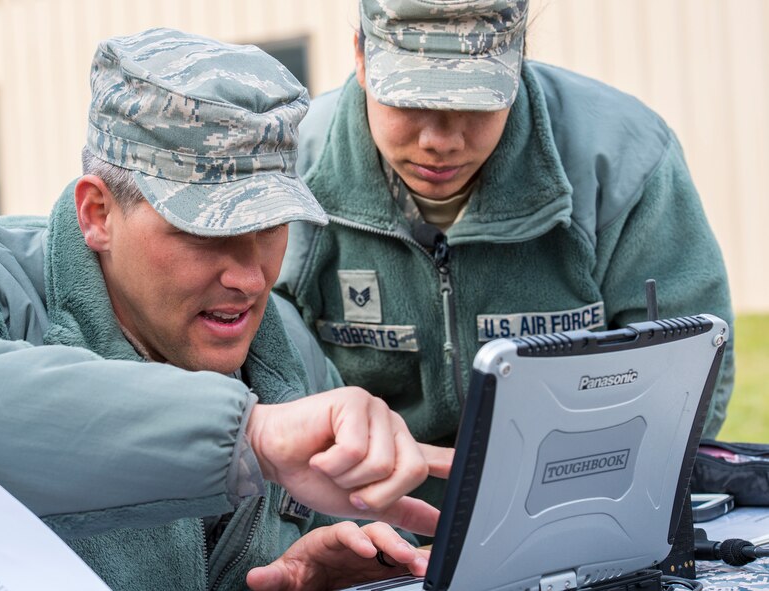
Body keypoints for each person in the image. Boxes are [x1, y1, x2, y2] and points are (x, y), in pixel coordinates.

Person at [0, 29, 452, 590]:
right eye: (206, 232)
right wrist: (247, 437)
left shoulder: (291, 352)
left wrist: (318, 576)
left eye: (271, 228)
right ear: (98, 213)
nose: (250, 277)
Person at [277, 0, 735, 507]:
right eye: (409, 100)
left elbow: (687, 379)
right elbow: (271, 397)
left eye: (474, 101)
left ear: (518, 63)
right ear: (361, 58)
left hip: (567, 513)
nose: (440, 141)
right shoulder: (287, 176)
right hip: (360, 524)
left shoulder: (625, 160)